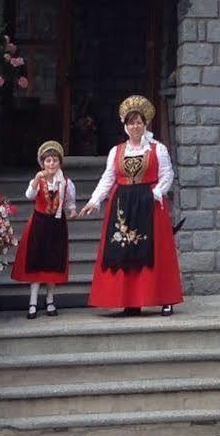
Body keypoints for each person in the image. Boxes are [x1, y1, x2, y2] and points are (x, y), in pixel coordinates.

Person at [80, 95, 183, 317]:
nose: (135, 126)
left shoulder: (158, 149)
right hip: (123, 205)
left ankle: (165, 299)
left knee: (155, 252)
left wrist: (155, 193)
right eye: (131, 122)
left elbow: (167, 175)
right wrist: (94, 201)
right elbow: (108, 178)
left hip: (150, 203)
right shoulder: (117, 151)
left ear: (145, 124)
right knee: (124, 252)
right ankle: (130, 300)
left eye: (138, 122)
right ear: (125, 125)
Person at [10, 141, 73, 319]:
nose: (51, 164)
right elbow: (29, 195)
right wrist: (37, 179)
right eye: (48, 161)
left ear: (60, 163)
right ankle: (33, 302)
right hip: (39, 223)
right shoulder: (38, 181)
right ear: (42, 163)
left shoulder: (66, 182)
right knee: (36, 262)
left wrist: (73, 209)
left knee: (53, 263)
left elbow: (69, 201)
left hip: (57, 225)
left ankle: (50, 300)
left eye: (54, 161)